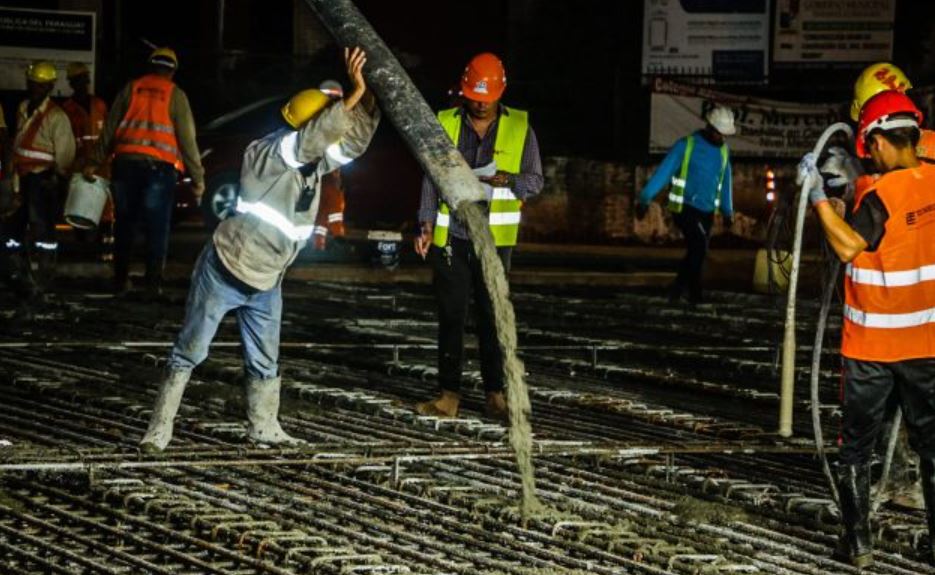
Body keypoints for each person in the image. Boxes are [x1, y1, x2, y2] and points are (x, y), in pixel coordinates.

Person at [138, 47, 380, 452]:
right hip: (225, 270)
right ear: (304, 125)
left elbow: (348, 145)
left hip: (267, 279)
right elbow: (316, 137)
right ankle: (158, 429)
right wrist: (352, 94)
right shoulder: (271, 153)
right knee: (191, 350)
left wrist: (369, 99)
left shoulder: (311, 163)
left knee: (265, 360)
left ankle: (263, 426)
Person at [800, 90, 935, 567]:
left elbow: (848, 247)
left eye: (869, 145)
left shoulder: (884, 195)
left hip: (872, 346)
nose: (867, 155)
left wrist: (817, 198)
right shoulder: (930, 178)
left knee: (856, 445)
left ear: (879, 139)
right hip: (925, 343)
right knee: (930, 444)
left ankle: (857, 543)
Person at [413, 52, 543, 420]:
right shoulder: (446, 123)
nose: (480, 103)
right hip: (452, 235)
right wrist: (424, 221)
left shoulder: (521, 129)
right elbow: (431, 175)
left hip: (494, 241)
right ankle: (448, 396)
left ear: (500, 94)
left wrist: (510, 181)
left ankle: (495, 394)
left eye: (487, 98)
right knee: (452, 316)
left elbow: (535, 181)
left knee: (492, 316)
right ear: (464, 92)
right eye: (474, 96)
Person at [85, 47, 205, 295]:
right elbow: (187, 139)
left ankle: (120, 280)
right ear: (172, 71)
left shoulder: (132, 88)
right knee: (156, 227)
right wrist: (198, 179)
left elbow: (110, 128)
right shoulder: (175, 94)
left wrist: (93, 161)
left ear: (151, 66)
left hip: (126, 166)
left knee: (125, 225)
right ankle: (152, 285)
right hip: (159, 171)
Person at [636, 105, 735, 305]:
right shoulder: (686, 145)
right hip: (684, 208)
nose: (722, 138)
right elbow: (663, 173)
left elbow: (726, 183)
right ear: (709, 127)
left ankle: (686, 294)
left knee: (697, 252)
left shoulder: (724, 152)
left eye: (725, 135)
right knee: (698, 247)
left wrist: (727, 212)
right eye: (720, 133)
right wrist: (645, 198)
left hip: (707, 212)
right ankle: (685, 291)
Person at [0, 61, 75, 314]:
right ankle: (17, 273)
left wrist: (60, 179)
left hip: (43, 180)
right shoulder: (23, 108)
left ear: (49, 86)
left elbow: (65, 156)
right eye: (33, 83)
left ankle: (43, 276)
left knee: (42, 231)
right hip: (23, 179)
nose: (35, 88)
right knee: (13, 229)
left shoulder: (56, 116)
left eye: (40, 85)